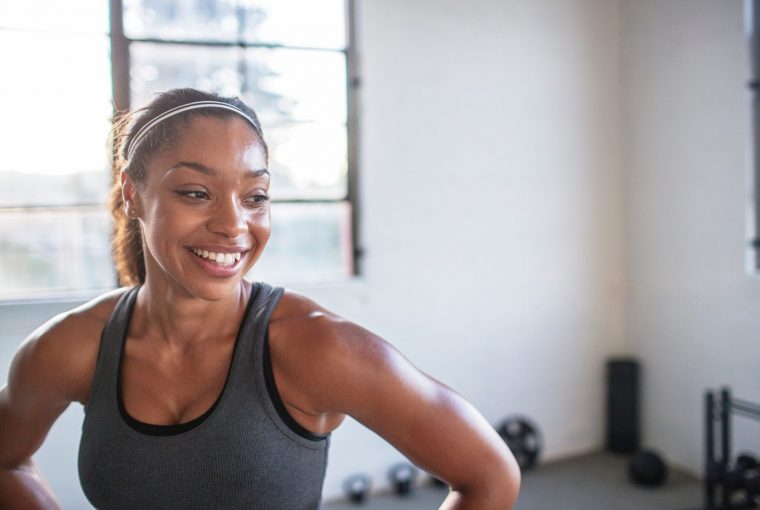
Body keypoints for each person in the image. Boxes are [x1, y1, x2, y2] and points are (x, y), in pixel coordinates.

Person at [0, 88, 520, 509]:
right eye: (195, 192)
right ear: (133, 193)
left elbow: (489, 476)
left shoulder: (317, 347)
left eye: (255, 197)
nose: (233, 225)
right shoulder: (73, 347)